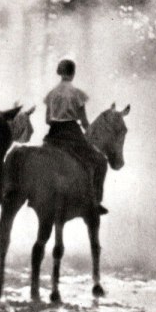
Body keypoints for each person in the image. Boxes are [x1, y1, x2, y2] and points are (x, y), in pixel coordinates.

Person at [43, 59, 108, 214]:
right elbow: (83, 121)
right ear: (73, 74)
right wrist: (92, 133)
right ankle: (95, 202)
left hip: (53, 134)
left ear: (60, 73)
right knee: (100, 161)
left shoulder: (51, 94)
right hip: (72, 133)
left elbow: (47, 120)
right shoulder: (77, 94)